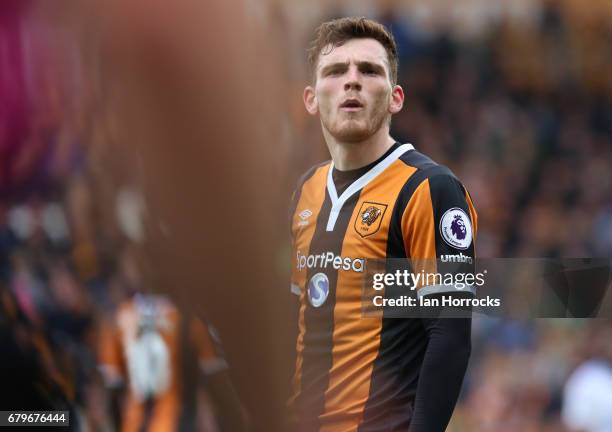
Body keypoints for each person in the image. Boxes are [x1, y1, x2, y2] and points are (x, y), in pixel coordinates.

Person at [288, 17, 478, 431]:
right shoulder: (305, 192)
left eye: (369, 70)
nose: (351, 82)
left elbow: (450, 336)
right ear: (311, 98)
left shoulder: (430, 188)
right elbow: (295, 326)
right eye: (336, 71)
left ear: (395, 98)